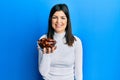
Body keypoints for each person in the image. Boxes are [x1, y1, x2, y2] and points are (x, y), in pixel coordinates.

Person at [37, 3, 83, 80]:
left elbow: (78, 72)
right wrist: (46, 53)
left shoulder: (76, 42)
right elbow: (43, 72)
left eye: (62, 18)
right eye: (55, 17)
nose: (58, 21)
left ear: (67, 20)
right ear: (50, 19)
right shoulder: (43, 40)